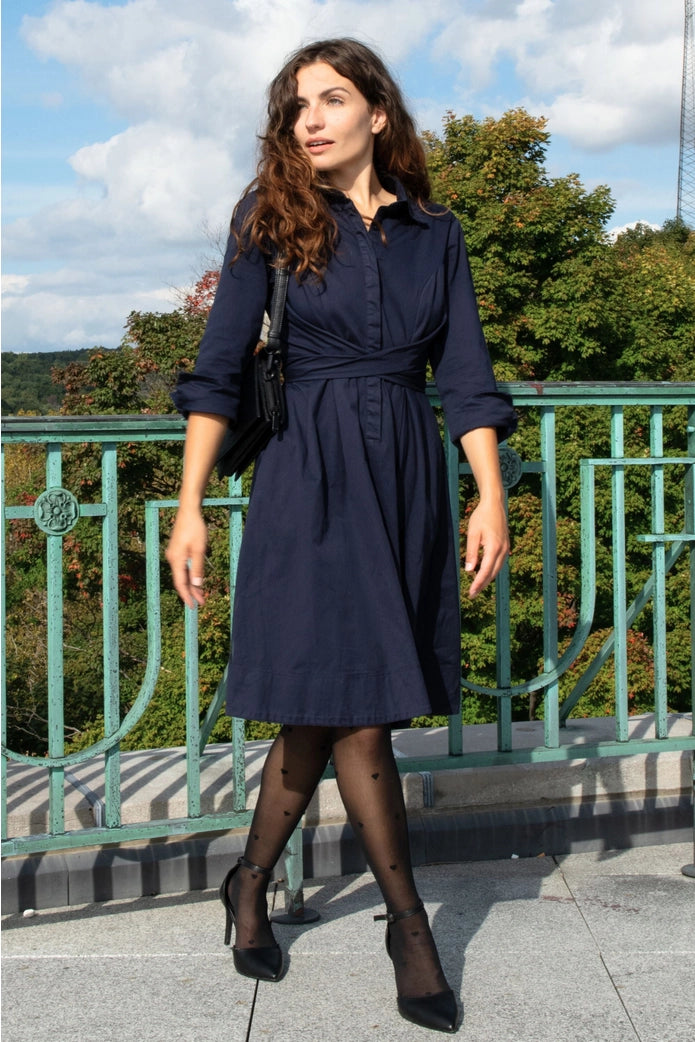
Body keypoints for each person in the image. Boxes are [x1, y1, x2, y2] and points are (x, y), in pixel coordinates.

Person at [166, 38, 516, 1035]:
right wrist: (190, 506)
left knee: (325, 709)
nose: (307, 119)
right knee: (353, 711)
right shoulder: (269, 220)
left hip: (405, 471)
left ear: (375, 111)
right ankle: (410, 929)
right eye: (292, 107)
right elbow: (218, 369)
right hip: (309, 476)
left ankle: (246, 879)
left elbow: (465, 375)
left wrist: (487, 496)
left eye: (329, 99)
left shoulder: (433, 234)